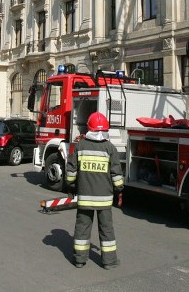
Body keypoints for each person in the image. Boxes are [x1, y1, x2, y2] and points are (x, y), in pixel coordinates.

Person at [65, 112, 124, 269]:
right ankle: (109, 261)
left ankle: (79, 260)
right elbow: (116, 175)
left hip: (85, 197)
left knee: (82, 228)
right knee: (106, 229)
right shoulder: (110, 148)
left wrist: (71, 187)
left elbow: (71, 173)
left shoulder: (80, 146)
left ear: (89, 128)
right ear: (105, 129)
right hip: (104, 199)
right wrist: (119, 190)